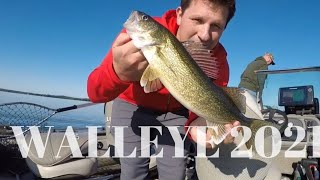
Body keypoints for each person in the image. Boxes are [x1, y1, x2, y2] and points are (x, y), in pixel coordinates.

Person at [87, 0, 238, 179]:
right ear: (180, 14)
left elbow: (207, 101)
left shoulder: (218, 61)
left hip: (176, 114)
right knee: (133, 170)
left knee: (175, 173)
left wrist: (197, 123)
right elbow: (95, 93)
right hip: (131, 105)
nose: (204, 35)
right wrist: (118, 73)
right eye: (197, 20)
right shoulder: (141, 35)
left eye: (216, 26)